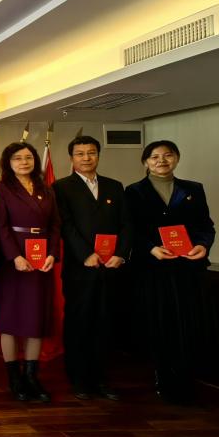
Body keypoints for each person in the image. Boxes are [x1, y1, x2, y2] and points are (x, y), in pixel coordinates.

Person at [126, 140, 215, 405]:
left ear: (176, 158)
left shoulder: (193, 189)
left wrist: (202, 245)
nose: (161, 161)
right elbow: (130, 230)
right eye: (155, 157)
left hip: (187, 267)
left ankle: (186, 377)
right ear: (145, 162)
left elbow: (206, 226)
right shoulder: (134, 191)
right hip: (153, 268)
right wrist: (151, 248)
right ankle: (163, 377)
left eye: (168, 155)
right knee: (160, 322)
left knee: (188, 323)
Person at [53, 136, 132, 400]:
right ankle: (79, 378)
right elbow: (65, 225)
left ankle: (101, 378)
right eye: (80, 153)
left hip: (111, 267)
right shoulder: (61, 187)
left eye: (91, 153)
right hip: (80, 268)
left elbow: (126, 224)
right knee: (80, 321)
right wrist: (85, 254)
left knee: (106, 322)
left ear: (98, 155)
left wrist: (121, 254)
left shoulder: (114, 186)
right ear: (71, 158)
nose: (86, 158)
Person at [0, 142, 60, 403]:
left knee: (36, 317)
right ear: (8, 163)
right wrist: (15, 257)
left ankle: (32, 376)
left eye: (28, 157)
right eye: (17, 158)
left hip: (41, 260)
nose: (23, 162)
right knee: (10, 317)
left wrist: (52, 253)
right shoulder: (2, 189)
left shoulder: (46, 189)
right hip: (14, 261)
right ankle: (14, 378)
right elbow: (1, 227)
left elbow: (55, 225)